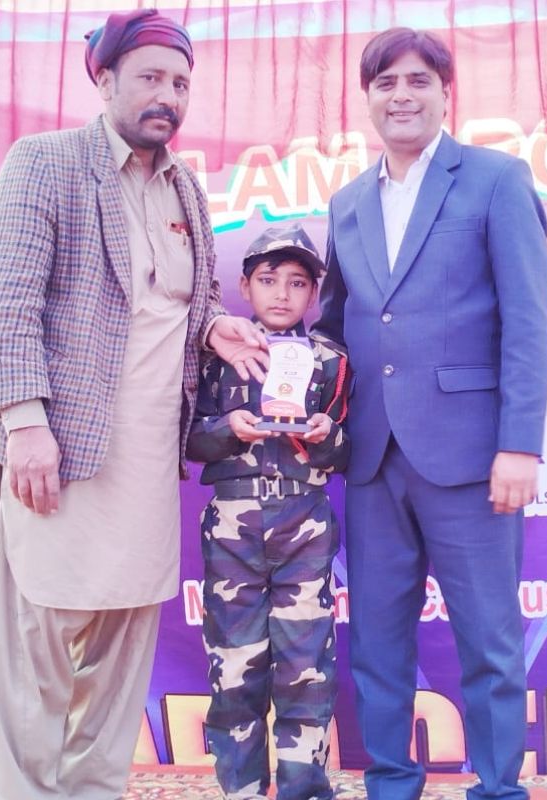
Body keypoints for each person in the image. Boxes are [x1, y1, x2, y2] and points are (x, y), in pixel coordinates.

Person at [0, 9, 267, 799]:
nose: (168, 96)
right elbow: (7, 304)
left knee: (122, 652)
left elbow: (188, 298)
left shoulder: (186, 187)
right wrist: (25, 424)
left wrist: (216, 326)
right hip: (58, 450)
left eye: (181, 83)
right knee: (31, 656)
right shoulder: (46, 163)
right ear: (105, 81)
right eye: (151, 78)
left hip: (146, 462)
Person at [313, 27, 547, 800]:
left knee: (489, 641)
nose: (402, 95)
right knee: (376, 643)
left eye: (418, 80)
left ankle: (498, 788)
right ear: (367, 99)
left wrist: (520, 445)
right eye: (386, 83)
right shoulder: (348, 204)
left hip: (472, 458)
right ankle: (391, 783)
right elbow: (336, 327)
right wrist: (295, 389)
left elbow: (529, 322)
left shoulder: (495, 181)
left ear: (446, 93)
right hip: (372, 459)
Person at [186, 222, 350, 800]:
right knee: (235, 671)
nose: (282, 293)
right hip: (232, 529)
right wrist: (227, 428)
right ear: (244, 286)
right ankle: (242, 791)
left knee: (306, 669)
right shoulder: (216, 357)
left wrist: (327, 435)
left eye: (298, 282)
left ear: (314, 292)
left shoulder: (330, 361)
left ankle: (305, 790)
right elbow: (185, 441)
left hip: (305, 525)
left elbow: (351, 451)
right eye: (268, 279)